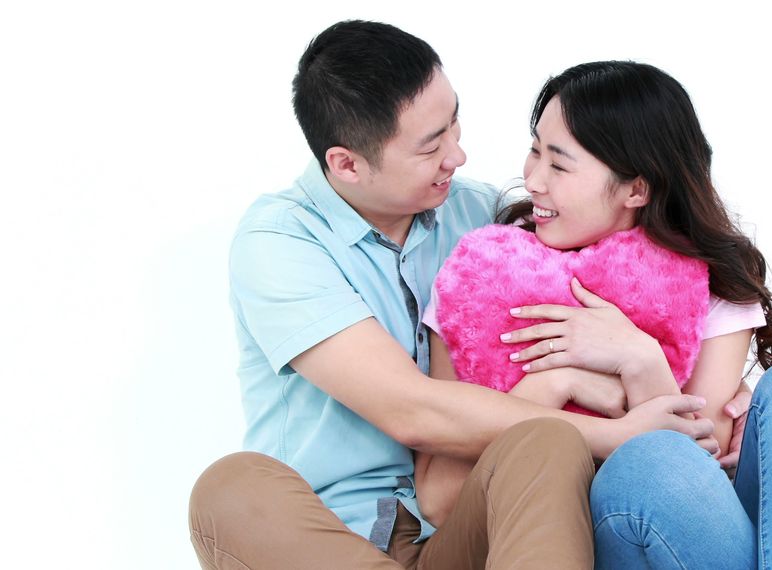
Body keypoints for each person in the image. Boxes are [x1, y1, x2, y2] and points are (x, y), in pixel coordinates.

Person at [187, 21, 732, 570]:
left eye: (454, 126)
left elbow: (624, 291)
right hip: (327, 538)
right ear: (346, 164)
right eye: (431, 147)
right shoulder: (280, 241)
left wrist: (730, 389)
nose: (459, 156)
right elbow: (411, 409)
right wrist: (612, 432)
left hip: (473, 530)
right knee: (229, 489)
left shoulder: (485, 220)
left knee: (544, 442)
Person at [415, 61, 772, 569]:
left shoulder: (708, 285)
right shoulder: (480, 282)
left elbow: (702, 467)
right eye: (535, 149)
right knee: (650, 459)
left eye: (559, 165)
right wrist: (558, 382)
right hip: (583, 532)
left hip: (694, 533)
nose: (533, 180)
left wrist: (640, 358)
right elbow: (441, 496)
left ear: (636, 189)